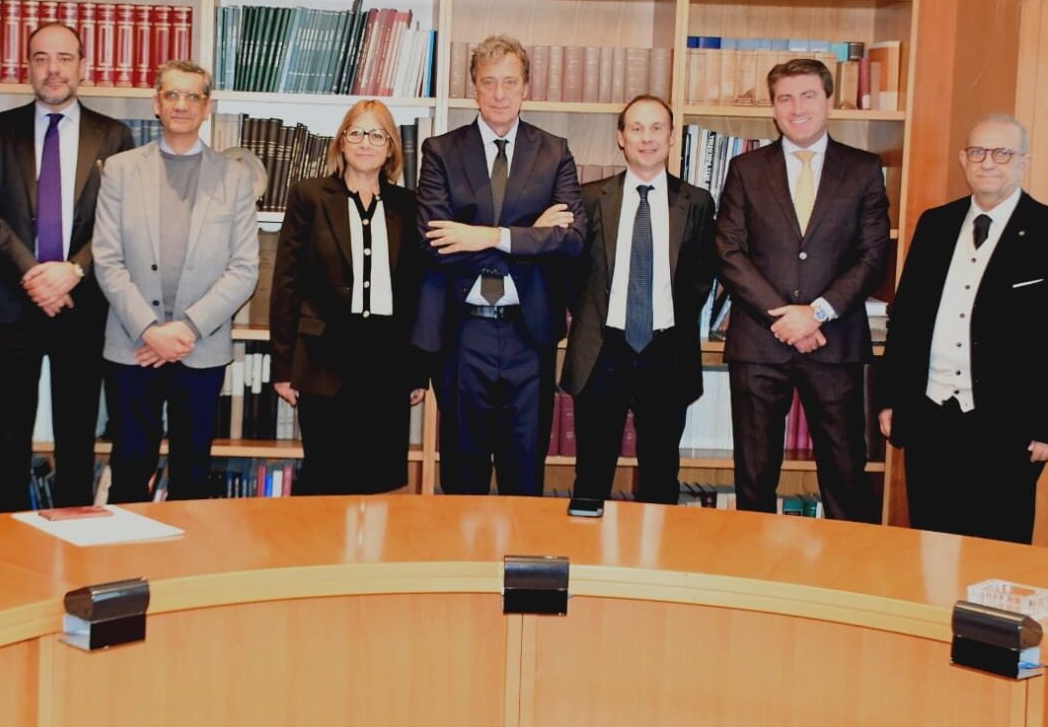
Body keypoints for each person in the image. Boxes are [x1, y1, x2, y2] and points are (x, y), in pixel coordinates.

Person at [878, 114, 1048, 544]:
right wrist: (891, 399)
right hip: (930, 416)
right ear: (964, 159)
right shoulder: (935, 225)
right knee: (931, 546)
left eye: (1002, 153)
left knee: (999, 549)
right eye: (977, 152)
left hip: (1008, 425)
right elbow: (906, 320)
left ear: (1024, 162)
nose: (988, 162)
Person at [715, 58, 889, 521]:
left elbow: (873, 257)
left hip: (835, 342)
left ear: (829, 101)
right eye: (785, 98)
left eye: (808, 96)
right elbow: (729, 251)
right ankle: (757, 564)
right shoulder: (746, 169)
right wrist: (784, 315)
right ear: (773, 107)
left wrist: (816, 313)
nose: (797, 108)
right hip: (760, 343)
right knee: (754, 476)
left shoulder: (864, 169)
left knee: (846, 474)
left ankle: (846, 563)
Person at [412, 34, 586, 495]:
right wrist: (531, 236)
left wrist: (486, 236)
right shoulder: (441, 151)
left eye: (510, 82)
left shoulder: (555, 152)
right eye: (489, 82)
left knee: (524, 473)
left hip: (529, 333)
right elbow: (434, 243)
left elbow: (571, 240)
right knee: (462, 473)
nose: (500, 94)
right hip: (462, 333)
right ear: (474, 87)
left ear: (526, 87)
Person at [0, 22, 133, 512]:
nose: (53, 69)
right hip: (11, 304)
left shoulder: (114, 135)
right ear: (28, 67)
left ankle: (72, 539)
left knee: (77, 439)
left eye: (64, 58)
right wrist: (34, 271)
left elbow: (121, 220)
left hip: (82, 307)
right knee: (10, 441)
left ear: (83, 66)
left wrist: (73, 270)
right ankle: (5, 542)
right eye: (41, 58)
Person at [93, 60, 258, 502]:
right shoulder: (121, 170)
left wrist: (185, 330)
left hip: (199, 349)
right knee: (129, 468)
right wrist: (150, 331)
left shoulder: (235, 177)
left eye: (192, 96)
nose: (181, 105)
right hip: (132, 347)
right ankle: (128, 547)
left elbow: (244, 268)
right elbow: (107, 259)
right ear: (156, 104)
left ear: (207, 107)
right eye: (172, 95)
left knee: (192, 473)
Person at [561, 95, 716, 504]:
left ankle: (655, 546)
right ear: (621, 137)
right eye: (636, 128)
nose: (647, 138)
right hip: (602, 351)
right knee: (591, 476)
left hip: (667, 353)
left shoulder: (697, 202)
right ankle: (589, 544)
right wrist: (596, 317)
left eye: (657, 128)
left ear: (671, 136)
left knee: (661, 476)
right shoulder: (589, 198)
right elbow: (570, 275)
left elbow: (701, 278)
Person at [270, 100, 428, 495]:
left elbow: (416, 292)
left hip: (387, 364)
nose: (365, 142)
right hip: (324, 361)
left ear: (391, 147)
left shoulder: (408, 206)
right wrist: (284, 367)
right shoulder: (310, 196)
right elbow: (287, 284)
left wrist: (416, 370)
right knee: (326, 482)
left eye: (377, 134)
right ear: (341, 142)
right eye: (356, 132)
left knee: (380, 483)